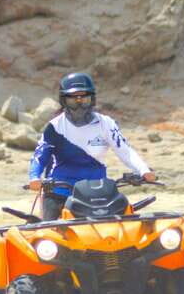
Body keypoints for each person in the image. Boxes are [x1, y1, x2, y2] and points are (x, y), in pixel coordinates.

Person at [28, 72, 157, 220]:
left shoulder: (106, 123)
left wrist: (143, 170)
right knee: (46, 234)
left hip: (99, 193)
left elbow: (125, 151)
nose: (79, 104)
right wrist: (34, 177)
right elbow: (40, 156)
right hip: (60, 193)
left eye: (84, 98)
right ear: (64, 101)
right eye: (73, 100)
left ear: (92, 100)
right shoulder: (55, 127)